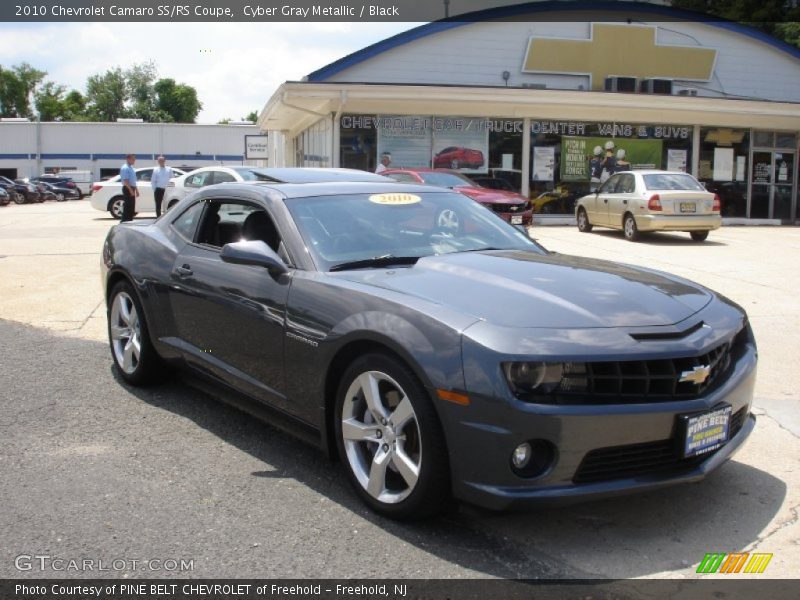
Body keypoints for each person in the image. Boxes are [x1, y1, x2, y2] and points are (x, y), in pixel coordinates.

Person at [120, 154, 138, 222]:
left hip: (132, 188)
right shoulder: (125, 168)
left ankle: (130, 221)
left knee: (131, 207)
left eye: (134, 159)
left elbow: (133, 180)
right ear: (128, 159)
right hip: (128, 188)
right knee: (127, 207)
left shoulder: (131, 168)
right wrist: (130, 190)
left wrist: (136, 190)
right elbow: (125, 181)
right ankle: (124, 221)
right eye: (133, 159)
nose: (134, 161)